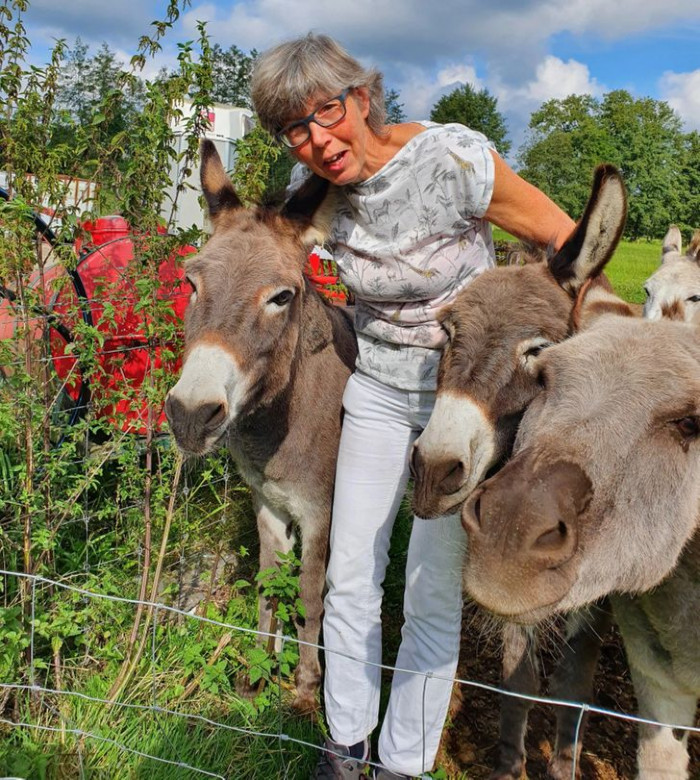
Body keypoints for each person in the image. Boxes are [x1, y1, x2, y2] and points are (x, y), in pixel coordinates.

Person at [250, 33, 575, 780]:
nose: (317, 139)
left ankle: (403, 763)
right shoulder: (324, 200)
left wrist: (550, 352)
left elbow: (564, 241)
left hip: (461, 408)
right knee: (352, 577)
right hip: (376, 393)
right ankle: (346, 746)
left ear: (362, 97)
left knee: (431, 590)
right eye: (295, 128)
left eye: (326, 112)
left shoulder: (454, 160)